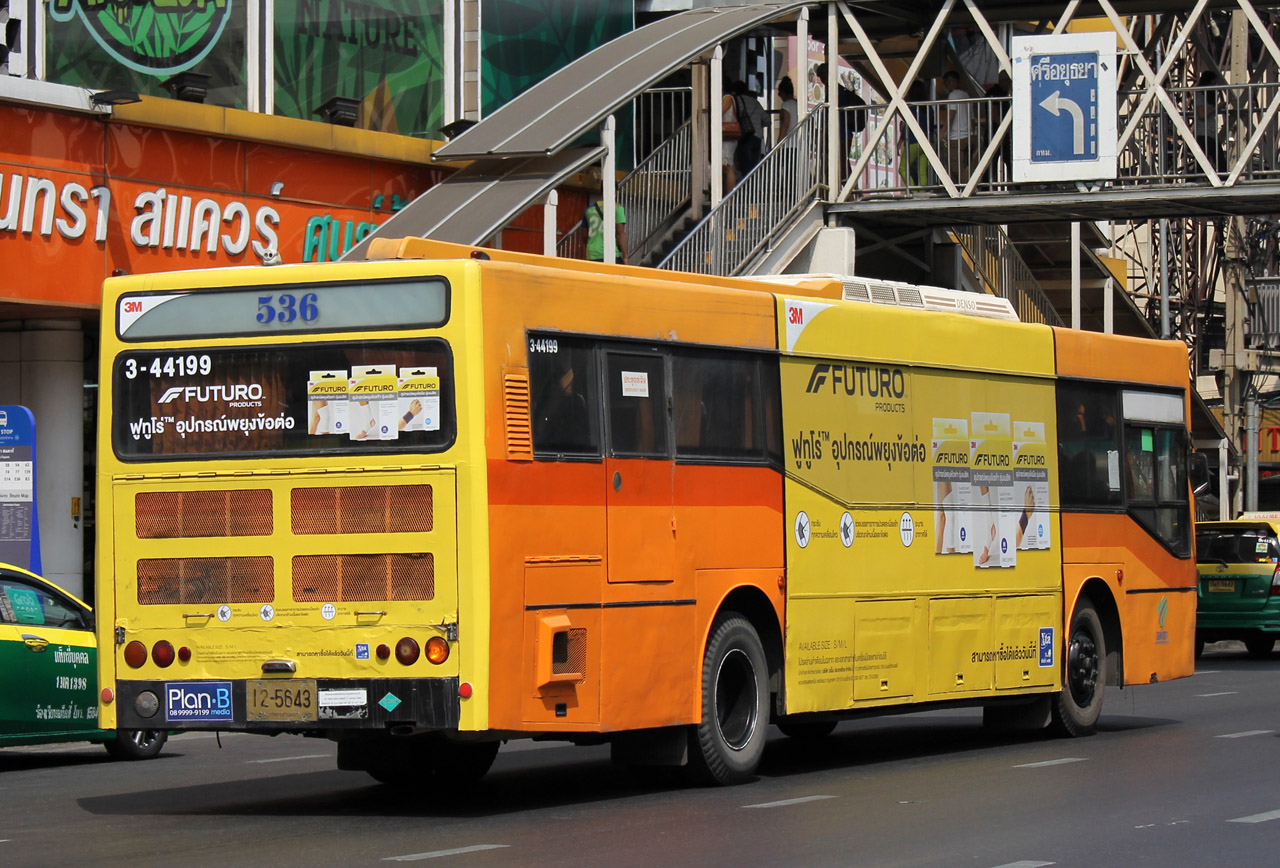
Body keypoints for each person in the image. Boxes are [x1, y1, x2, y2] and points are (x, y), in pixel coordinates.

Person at [816, 62, 866, 182]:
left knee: (841, 162)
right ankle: (849, 190)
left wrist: (824, 133)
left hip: (841, 133)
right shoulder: (839, 89)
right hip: (844, 132)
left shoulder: (834, 91)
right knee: (842, 162)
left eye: (823, 76)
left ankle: (848, 191)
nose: (823, 80)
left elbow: (831, 115)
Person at [940, 70, 976, 184]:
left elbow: (951, 116)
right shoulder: (966, 95)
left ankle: (968, 188)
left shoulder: (953, 95)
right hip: (968, 136)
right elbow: (972, 118)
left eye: (945, 83)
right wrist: (973, 133)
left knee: (955, 168)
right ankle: (962, 186)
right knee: (963, 165)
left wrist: (942, 132)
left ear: (950, 82)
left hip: (957, 138)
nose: (945, 86)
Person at [585, 178, 627, 264]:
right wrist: (626, 255)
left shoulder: (588, 210)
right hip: (611, 253)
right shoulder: (618, 209)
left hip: (592, 254)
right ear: (615, 192)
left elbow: (584, 235)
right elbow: (620, 233)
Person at [1193, 70, 1227, 174]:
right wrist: (1217, 108)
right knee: (1206, 163)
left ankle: (1222, 179)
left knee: (1213, 162)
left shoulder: (1210, 96)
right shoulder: (1200, 94)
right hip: (1203, 134)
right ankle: (1193, 180)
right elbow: (1202, 115)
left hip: (1211, 133)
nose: (1214, 87)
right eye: (1213, 84)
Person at [731, 80, 766, 179]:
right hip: (757, 137)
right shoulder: (755, 102)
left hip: (744, 137)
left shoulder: (735, 100)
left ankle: (746, 192)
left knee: (745, 168)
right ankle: (753, 189)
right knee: (754, 168)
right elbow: (767, 119)